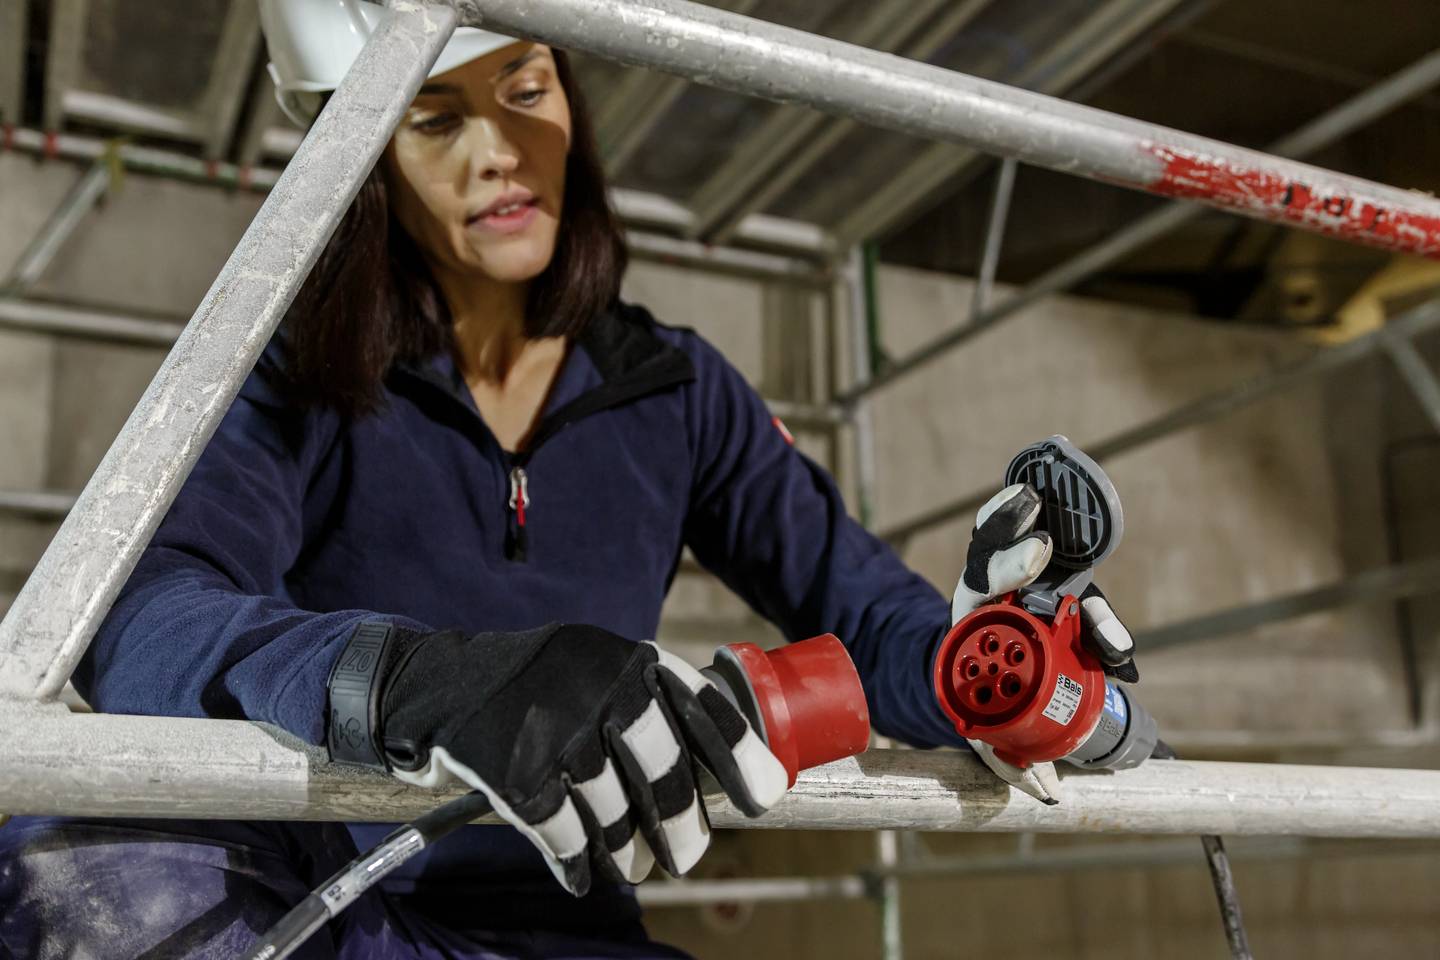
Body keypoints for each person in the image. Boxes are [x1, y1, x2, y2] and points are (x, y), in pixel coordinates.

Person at [0, 2, 1139, 957]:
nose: (496, 149)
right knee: (65, 864)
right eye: (434, 116)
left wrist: (990, 663)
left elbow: (868, 620)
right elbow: (140, 615)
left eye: (526, 89)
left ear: (570, 102)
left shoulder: (680, 393)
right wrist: (423, 682)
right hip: (334, 911)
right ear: (363, 157)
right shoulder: (301, 374)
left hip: (570, 929)